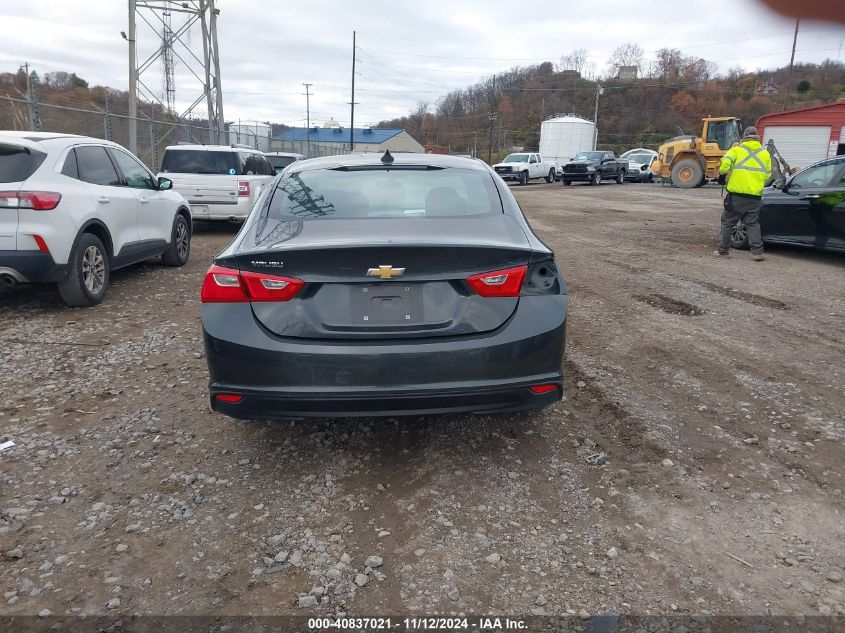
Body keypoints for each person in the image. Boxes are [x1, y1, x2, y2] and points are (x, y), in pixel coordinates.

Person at [713, 126, 772, 261]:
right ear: (757, 138)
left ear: (744, 136)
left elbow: (724, 165)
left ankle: (723, 251)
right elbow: (768, 175)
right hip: (755, 196)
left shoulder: (736, 150)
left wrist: (722, 175)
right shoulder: (765, 154)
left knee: (728, 222)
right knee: (752, 224)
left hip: (737, 196)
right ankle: (757, 253)